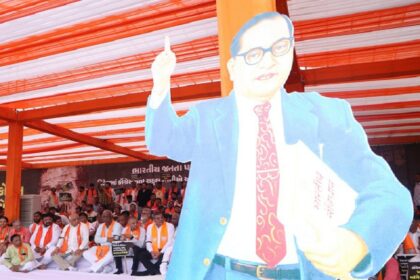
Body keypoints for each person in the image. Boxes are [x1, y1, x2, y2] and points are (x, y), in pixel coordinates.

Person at [145, 11, 413, 280]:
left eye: (279, 47)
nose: (268, 61)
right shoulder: (207, 118)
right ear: (233, 68)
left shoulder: (327, 114)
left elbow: (388, 192)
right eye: (253, 55)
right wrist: (160, 86)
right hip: (219, 271)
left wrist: (357, 241)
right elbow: (164, 140)